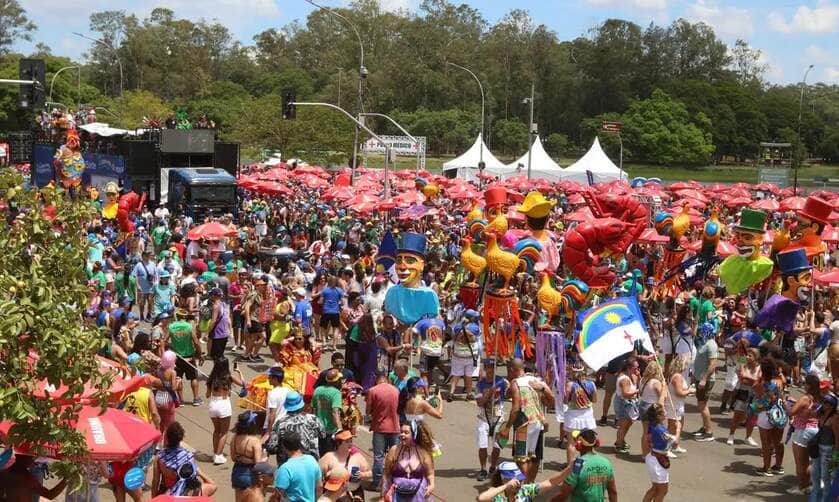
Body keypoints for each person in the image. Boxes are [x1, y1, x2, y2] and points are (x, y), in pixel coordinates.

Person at [501, 358, 553, 482]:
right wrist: (542, 390)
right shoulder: (537, 381)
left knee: (521, 457)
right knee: (534, 456)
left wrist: (507, 428)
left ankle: (524, 484)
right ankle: (530, 483)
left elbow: (515, 408)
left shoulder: (516, 383)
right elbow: (552, 399)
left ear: (512, 369)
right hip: (538, 422)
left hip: (523, 423)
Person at [552, 429, 617, 502]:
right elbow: (613, 492)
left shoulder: (577, 465)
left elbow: (564, 494)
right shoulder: (606, 462)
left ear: (579, 444)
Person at [382, 421, 436, 502]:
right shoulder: (394, 450)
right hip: (397, 495)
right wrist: (382, 495)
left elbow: (430, 473)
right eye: (401, 432)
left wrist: (431, 485)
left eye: (406, 432)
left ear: (414, 435)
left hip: (418, 495)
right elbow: (386, 474)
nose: (402, 435)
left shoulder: (423, 452)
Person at [785, 374, 820, 495]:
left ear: (809, 386)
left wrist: (785, 403)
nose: (804, 386)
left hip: (803, 431)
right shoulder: (819, 398)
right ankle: (810, 484)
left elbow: (791, 412)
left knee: (800, 462)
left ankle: (802, 487)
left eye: (805, 384)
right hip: (815, 429)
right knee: (810, 461)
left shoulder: (805, 398)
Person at [206, 357, 245, 465]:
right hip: (224, 404)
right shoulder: (229, 377)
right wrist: (239, 372)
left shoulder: (211, 379)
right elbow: (243, 384)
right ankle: (219, 455)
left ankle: (215, 453)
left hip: (213, 404)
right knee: (224, 432)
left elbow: (207, 395)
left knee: (216, 431)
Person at [475, 358, 509, 481]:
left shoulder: (502, 382)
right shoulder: (480, 384)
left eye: (492, 367)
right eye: (488, 367)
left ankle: (493, 466)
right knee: (482, 445)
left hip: (498, 417)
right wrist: (489, 393)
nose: (490, 370)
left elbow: (509, 394)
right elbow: (479, 402)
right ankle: (483, 469)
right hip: (484, 417)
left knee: (497, 446)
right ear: (485, 368)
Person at [476, 461, 572, 502]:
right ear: (504, 479)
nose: (519, 483)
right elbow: (481, 498)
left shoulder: (525, 491)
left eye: (520, 479)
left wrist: (570, 468)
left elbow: (550, 482)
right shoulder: (496, 495)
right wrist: (505, 486)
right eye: (516, 480)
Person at [367, 372, 401, 489]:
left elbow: (368, 411)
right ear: (386, 379)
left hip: (379, 427)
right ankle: (395, 481)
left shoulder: (373, 390)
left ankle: (377, 483)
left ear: (376, 379)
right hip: (395, 427)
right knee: (395, 456)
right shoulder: (396, 390)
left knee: (379, 456)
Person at [271, 390, 322, 464]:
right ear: (301, 405)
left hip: (288, 464)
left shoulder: (280, 423)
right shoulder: (313, 419)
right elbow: (323, 435)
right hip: (311, 462)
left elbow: (272, 447)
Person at [319, 430, 372, 500]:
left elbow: (371, 473)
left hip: (354, 495)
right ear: (338, 443)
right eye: (347, 442)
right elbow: (316, 475)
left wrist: (362, 475)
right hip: (333, 496)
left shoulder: (357, 457)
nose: (350, 444)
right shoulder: (329, 457)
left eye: (351, 441)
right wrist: (329, 475)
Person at [165, 309, 202, 406]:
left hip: (177, 357)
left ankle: (181, 400)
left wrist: (171, 347)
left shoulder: (171, 326)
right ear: (185, 317)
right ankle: (196, 399)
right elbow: (196, 342)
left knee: (178, 378)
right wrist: (200, 354)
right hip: (189, 356)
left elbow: (165, 340)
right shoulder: (189, 326)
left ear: (177, 316)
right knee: (193, 378)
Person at [690, 323, 719, 442]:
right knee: (702, 404)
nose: (700, 332)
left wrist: (704, 379)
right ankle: (704, 427)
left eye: (703, 330)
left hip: (705, 380)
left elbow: (713, 364)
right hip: (699, 378)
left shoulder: (711, 345)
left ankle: (709, 432)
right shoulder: (704, 342)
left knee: (702, 405)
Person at [273, 432, 323, 502]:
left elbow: (278, 496)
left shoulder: (285, 468)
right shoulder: (312, 460)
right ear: (300, 444)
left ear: (284, 447)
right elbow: (319, 487)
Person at [151, 422, 198, 497]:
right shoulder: (188, 456)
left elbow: (155, 482)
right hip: (184, 494)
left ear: (166, 438)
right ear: (181, 438)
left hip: (166, 494)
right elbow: (193, 480)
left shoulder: (159, 458)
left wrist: (154, 499)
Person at [726, 347, 761, 446]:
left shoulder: (760, 367)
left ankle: (748, 437)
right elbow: (742, 379)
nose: (747, 357)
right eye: (747, 355)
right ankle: (731, 435)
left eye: (750, 356)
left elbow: (758, 381)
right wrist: (751, 379)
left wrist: (748, 378)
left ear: (756, 357)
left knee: (752, 417)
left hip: (755, 394)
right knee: (738, 415)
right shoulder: (743, 364)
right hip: (743, 392)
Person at [564, 363, 598, 463]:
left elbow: (565, 401)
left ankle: (570, 466)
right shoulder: (591, 384)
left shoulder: (570, 385)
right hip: (587, 416)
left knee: (571, 443)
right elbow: (595, 400)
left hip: (573, 416)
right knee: (587, 441)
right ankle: (587, 463)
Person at [231, 411, 267, 501]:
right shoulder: (255, 441)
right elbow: (258, 465)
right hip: (250, 475)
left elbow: (233, 457)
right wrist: (263, 459)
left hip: (237, 473)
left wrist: (241, 458)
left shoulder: (235, 438)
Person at [0, 454, 67, 501]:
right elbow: (50, 495)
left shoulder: (3, 473)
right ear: (27, 461)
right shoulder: (27, 479)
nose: (33, 461)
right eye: (32, 458)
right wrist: (66, 480)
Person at [810, 393, 839, 502]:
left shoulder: (835, 418)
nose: (823, 404)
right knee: (815, 474)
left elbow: (837, 437)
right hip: (818, 448)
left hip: (828, 450)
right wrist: (818, 407)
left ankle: (825, 499)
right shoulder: (822, 414)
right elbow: (810, 414)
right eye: (823, 402)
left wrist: (836, 455)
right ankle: (814, 497)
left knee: (825, 477)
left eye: (826, 402)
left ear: (831, 405)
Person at [279, 328, 321, 399]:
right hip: (294, 372)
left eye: (300, 339)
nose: (297, 340)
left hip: (310, 370)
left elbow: (316, 362)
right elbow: (283, 346)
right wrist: (290, 339)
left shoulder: (309, 349)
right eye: (296, 339)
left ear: (304, 340)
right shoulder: (290, 350)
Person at [664, 355, 693, 457]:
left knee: (678, 425)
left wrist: (687, 391)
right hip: (674, 405)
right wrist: (689, 391)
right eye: (686, 364)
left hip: (678, 404)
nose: (687, 366)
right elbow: (679, 393)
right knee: (673, 427)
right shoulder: (677, 377)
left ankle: (675, 445)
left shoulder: (676, 375)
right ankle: (666, 448)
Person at [643, 404, 672, 502]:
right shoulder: (660, 429)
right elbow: (674, 441)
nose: (666, 413)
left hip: (653, 458)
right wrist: (678, 428)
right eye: (664, 412)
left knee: (655, 488)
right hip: (657, 461)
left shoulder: (653, 426)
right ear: (658, 416)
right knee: (662, 490)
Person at [312, 368, 345, 455]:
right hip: (330, 430)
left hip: (318, 429)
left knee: (319, 454)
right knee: (329, 456)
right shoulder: (336, 393)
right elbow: (335, 412)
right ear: (336, 381)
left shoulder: (317, 390)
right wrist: (340, 429)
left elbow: (313, 409)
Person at [243, 275, 275, 362]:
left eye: (265, 285)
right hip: (254, 319)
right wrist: (248, 320)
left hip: (258, 319)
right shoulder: (254, 294)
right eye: (263, 285)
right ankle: (253, 354)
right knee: (263, 336)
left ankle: (247, 354)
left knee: (253, 338)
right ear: (258, 286)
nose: (264, 286)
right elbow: (247, 306)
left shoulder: (260, 294)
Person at [638, 361, 666, 456]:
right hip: (652, 408)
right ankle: (654, 452)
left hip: (643, 405)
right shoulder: (656, 382)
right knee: (655, 431)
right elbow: (662, 398)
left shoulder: (643, 380)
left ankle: (644, 454)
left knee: (645, 431)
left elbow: (640, 393)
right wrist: (664, 388)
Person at [613, 356, 640, 454]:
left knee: (628, 424)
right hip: (624, 403)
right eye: (635, 368)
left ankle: (621, 440)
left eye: (638, 367)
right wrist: (637, 391)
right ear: (629, 367)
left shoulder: (631, 375)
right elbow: (625, 393)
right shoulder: (624, 379)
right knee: (623, 425)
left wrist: (638, 376)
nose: (637, 369)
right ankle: (618, 445)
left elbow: (637, 384)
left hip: (629, 403)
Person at [449, 322, 478, 401]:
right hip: (469, 357)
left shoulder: (457, 328)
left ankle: (451, 393)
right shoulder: (474, 328)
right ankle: (469, 394)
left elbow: (453, 338)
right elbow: (476, 339)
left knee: (455, 376)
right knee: (469, 376)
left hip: (458, 356)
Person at [316, 275, 344, 352]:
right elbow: (342, 302)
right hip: (335, 312)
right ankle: (334, 346)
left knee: (323, 328)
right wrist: (337, 303)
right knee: (335, 329)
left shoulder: (325, 290)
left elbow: (321, 301)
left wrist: (318, 302)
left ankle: (324, 343)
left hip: (326, 311)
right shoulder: (339, 290)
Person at [133, 250, 157, 321]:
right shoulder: (138, 265)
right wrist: (137, 285)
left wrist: (155, 282)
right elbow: (135, 275)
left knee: (150, 302)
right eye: (147, 255)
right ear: (143, 256)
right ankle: (141, 315)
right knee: (142, 303)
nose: (148, 256)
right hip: (142, 287)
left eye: (149, 255)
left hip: (151, 286)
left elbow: (156, 274)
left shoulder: (153, 264)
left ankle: (149, 314)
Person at [207, 286, 231, 360]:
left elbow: (213, 321)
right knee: (221, 356)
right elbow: (228, 319)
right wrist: (230, 331)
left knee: (216, 358)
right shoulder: (225, 305)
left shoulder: (216, 306)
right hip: (225, 334)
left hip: (217, 335)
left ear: (213, 296)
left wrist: (207, 333)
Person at [265, 366, 289, 435]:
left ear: (275, 379)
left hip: (274, 427)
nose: (268, 379)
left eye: (270, 377)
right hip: (284, 425)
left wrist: (268, 432)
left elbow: (272, 414)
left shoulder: (272, 394)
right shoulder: (287, 391)